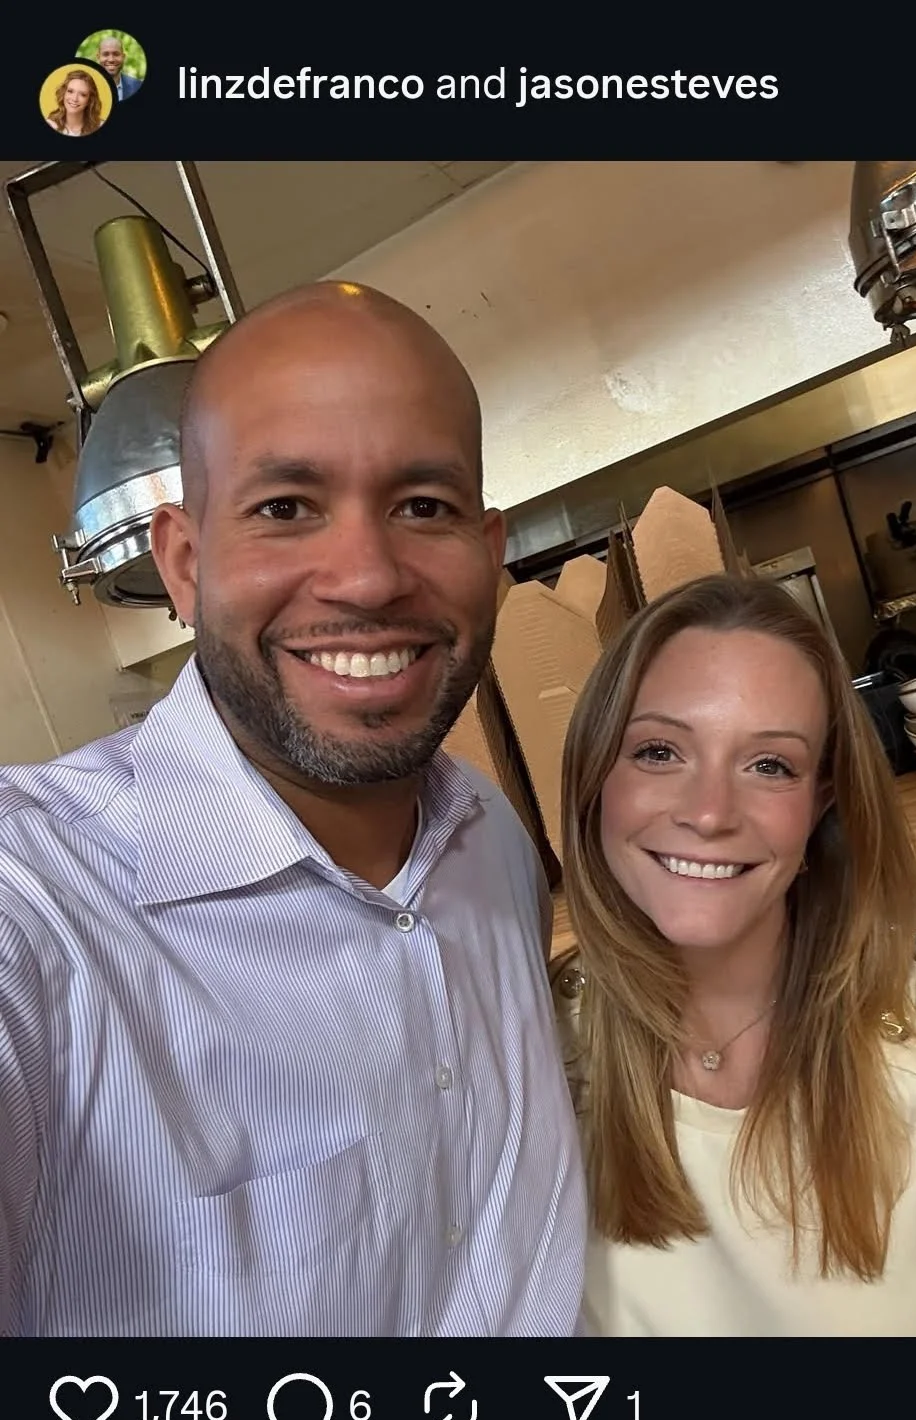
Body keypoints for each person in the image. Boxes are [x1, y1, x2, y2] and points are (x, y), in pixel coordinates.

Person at [0, 281, 586, 1336]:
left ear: (490, 557)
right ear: (184, 564)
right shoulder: (36, 908)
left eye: (424, 506)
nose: (366, 576)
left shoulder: (488, 835)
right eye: (284, 507)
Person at [552, 572, 916, 1335]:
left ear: (820, 803)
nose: (707, 812)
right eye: (660, 750)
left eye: (770, 765)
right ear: (595, 776)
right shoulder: (534, 1077)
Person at [44, 69, 103, 134]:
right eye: (70, 91)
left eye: (83, 95)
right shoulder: (50, 125)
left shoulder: (100, 126)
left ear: (90, 100)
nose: (75, 99)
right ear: (64, 93)